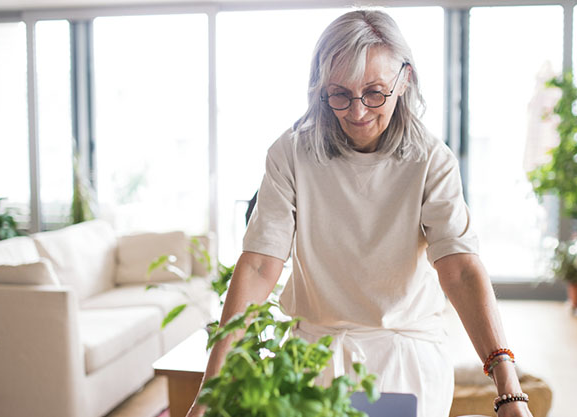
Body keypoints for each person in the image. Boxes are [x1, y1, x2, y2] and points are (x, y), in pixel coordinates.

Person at [188, 9, 534, 417]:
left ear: (405, 79)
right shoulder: (291, 153)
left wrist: (509, 391)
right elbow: (261, 264)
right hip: (315, 353)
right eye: (339, 93)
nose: (357, 111)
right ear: (320, 88)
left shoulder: (431, 160)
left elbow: (459, 269)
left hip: (406, 351)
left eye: (374, 92)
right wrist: (210, 392)